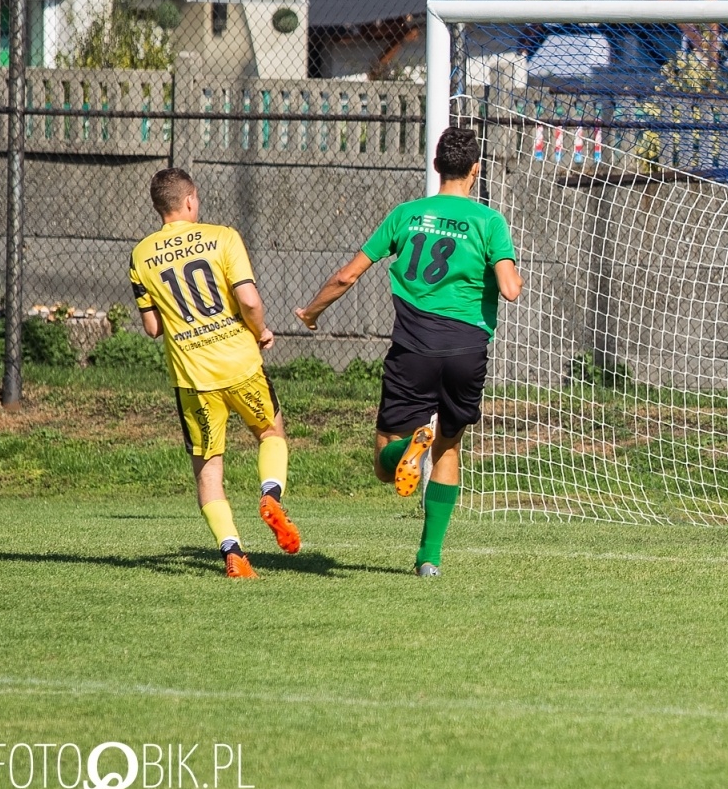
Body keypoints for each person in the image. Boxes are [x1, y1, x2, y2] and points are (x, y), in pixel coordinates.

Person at [295, 127, 522, 576]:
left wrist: (312, 312)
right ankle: (429, 558)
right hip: (466, 350)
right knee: (450, 448)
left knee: (384, 464)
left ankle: (405, 453)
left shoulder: (405, 215)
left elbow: (347, 275)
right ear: (475, 170)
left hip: (414, 348)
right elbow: (511, 290)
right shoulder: (489, 221)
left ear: (436, 166)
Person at [130, 168, 301, 579]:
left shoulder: (141, 255)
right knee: (270, 433)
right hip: (240, 365)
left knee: (208, 469)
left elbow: (153, 328)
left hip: (192, 378)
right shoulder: (223, 236)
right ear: (190, 200)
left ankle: (234, 554)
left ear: (159, 207)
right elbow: (248, 298)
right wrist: (260, 330)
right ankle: (270, 494)